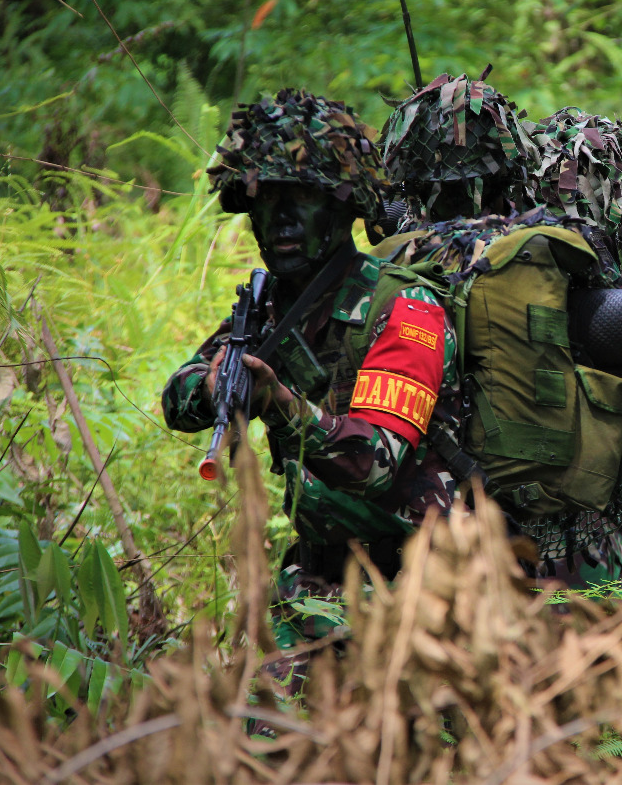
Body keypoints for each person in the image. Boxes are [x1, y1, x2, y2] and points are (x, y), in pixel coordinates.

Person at [161, 88, 461, 693]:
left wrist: (280, 404)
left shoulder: (403, 307)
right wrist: (214, 388)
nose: (281, 219)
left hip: (424, 579)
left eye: (301, 198)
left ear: (344, 207)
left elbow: (373, 463)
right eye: (266, 200)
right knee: (260, 726)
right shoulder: (269, 306)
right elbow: (178, 397)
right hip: (320, 577)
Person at [378, 74, 622, 593]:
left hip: (432, 540)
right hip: (567, 541)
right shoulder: (559, 246)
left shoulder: (390, 264)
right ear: (516, 167)